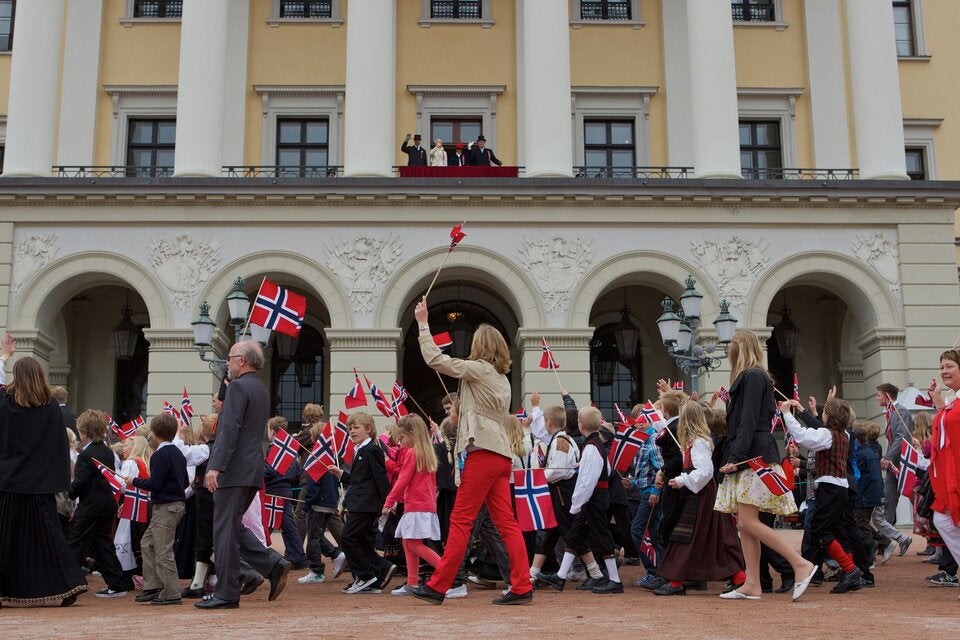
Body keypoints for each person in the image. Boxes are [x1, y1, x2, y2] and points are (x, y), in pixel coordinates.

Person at [406, 297, 533, 606]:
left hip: (484, 453)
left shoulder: (479, 369)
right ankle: (521, 586)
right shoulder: (501, 379)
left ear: (479, 346)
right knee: (507, 524)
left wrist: (423, 323)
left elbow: (436, 360)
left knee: (462, 521)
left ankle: (439, 586)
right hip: (500, 456)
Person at [714, 330, 816, 601]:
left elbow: (746, 422)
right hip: (752, 453)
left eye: (731, 347)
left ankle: (800, 564)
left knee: (747, 521)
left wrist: (734, 458)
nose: (728, 352)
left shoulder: (751, 377)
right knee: (746, 525)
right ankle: (752, 584)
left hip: (751, 456)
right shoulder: (754, 377)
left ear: (739, 349)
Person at [197, 340, 290, 610]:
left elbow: (229, 430)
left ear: (242, 360)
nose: (227, 363)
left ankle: (226, 593)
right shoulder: (260, 389)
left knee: (224, 531)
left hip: (234, 471)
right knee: (231, 527)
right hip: (251, 470)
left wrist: (215, 466)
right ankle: (272, 564)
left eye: (230, 358)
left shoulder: (238, 387)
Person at [0, 339, 87, 607]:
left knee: (5, 540)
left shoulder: (5, 404)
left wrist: (3, 358)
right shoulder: (51, 409)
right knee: (50, 539)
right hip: (40, 485)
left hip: (9, 483)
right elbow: (57, 447)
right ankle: (68, 585)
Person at [656, 401, 745, 596]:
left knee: (686, 536)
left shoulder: (698, 442)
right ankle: (738, 576)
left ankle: (676, 581)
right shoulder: (693, 442)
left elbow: (705, 472)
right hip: (698, 494)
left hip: (701, 496)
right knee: (714, 537)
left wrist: (681, 480)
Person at [780, 397, 864, 594]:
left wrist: (786, 414)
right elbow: (817, 428)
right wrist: (801, 412)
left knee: (819, 531)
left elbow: (801, 436)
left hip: (829, 489)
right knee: (840, 532)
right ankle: (849, 573)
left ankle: (850, 570)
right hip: (841, 488)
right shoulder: (844, 435)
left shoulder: (827, 435)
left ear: (830, 416)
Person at [537, 407, 623, 594]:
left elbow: (587, 481)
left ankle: (614, 579)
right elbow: (605, 469)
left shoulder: (591, 447)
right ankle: (560, 577)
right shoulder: (594, 444)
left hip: (592, 499)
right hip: (593, 498)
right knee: (575, 536)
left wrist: (577, 503)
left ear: (580, 425)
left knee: (601, 536)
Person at [326, 411, 395, 595]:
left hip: (366, 504)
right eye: (350, 428)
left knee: (348, 537)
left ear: (369, 429)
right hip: (358, 502)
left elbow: (380, 479)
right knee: (362, 541)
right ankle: (375, 574)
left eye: (356, 427)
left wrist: (387, 502)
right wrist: (340, 474)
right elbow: (359, 480)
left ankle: (366, 576)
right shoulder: (360, 450)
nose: (352, 431)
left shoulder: (372, 449)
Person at [68, 409, 133, 599]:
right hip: (106, 504)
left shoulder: (86, 456)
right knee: (103, 545)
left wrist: (69, 492)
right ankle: (117, 582)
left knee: (75, 544)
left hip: (91, 507)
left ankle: (66, 582)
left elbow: (81, 483)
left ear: (84, 432)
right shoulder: (106, 451)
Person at [128, 414, 189, 605]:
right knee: (148, 543)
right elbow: (185, 481)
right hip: (172, 505)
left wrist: (134, 481)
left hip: (166, 507)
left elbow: (155, 483)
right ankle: (152, 585)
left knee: (163, 550)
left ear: (155, 433)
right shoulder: (177, 453)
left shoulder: (160, 455)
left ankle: (171, 591)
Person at [383, 414, 443, 595]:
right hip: (423, 505)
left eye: (402, 438)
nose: (400, 442)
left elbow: (402, 480)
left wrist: (389, 500)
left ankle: (446, 573)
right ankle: (412, 582)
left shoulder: (412, 452)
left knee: (413, 544)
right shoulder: (426, 452)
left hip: (416, 506)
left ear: (411, 433)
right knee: (410, 543)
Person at [527, 392, 579, 584]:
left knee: (571, 534)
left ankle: (597, 572)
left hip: (562, 494)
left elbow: (556, 470)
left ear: (549, 423)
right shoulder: (558, 438)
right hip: (559, 494)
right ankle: (533, 573)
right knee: (551, 534)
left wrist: (539, 477)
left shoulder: (560, 441)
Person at [297, 420, 346, 586]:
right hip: (330, 502)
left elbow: (312, 484)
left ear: (314, 438)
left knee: (313, 539)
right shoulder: (332, 456)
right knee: (316, 536)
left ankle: (316, 571)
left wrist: (306, 505)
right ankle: (336, 554)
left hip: (317, 503)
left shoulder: (316, 456)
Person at [927, 349, 960, 592]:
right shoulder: (952, 401)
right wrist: (939, 403)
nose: (944, 371)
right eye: (942, 367)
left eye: (950, 366)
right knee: (943, 518)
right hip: (950, 472)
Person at [263, 416, 308, 570]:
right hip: (286, 489)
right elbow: (296, 471)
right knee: (287, 525)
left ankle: (259, 552)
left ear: (273, 431)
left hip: (275, 490)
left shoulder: (274, 448)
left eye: (268, 429)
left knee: (268, 524)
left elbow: (270, 471)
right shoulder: (289, 448)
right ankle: (297, 555)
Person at [876, 382, 913, 528]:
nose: (877, 398)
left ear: (887, 395)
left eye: (879, 395)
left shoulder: (901, 412)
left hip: (903, 463)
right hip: (894, 464)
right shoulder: (891, 412)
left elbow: (902, 438)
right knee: (888, 499)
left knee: (915, 500)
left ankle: (933, 539)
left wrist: (887, 457)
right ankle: (886, 537)